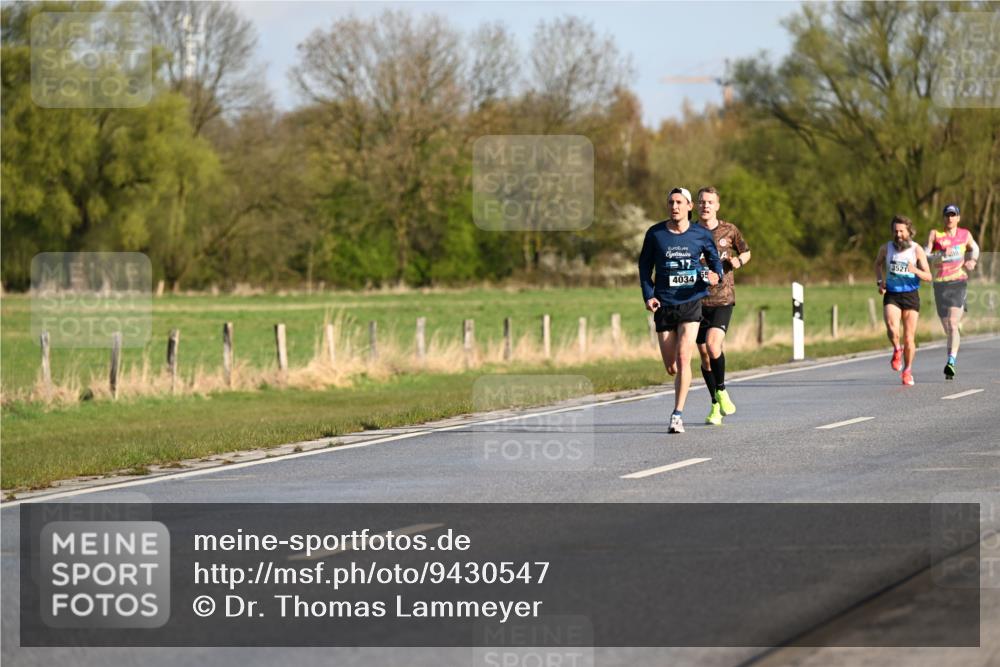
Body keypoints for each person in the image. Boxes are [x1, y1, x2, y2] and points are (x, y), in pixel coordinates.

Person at [639, 187, 723, 434]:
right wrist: (648, 295)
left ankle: (677, 415)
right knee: (671, 366)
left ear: (689, 207)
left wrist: (714, 275)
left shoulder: (700, 234)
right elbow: (644, 267)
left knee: (684, 357)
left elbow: (714, 260)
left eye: (679, 202)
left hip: (691, 300)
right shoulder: (655, 234)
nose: (674, 206)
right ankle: (679, 381)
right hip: (664, 303)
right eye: (671, 202)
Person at [694, 187, 751, 425]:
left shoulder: (730, 230)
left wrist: (738, 260)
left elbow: (747, 252)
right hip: (696, 300)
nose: (706, 205)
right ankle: (715, 404)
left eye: (710, 202)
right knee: (705, 356)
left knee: (713, 344)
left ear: (717, 205)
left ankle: (722, 389)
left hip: (723, 299)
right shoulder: (691, 233)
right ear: (696, 206)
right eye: (702, 202)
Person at [875, 215, 932, 385]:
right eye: (895, 231)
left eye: (901, 231)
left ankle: (907, 371)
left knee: (909, 338)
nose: (898, 234)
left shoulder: (916, 250)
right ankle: (896, 349)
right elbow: (877, 264)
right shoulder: (886, 248)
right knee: (893, 329)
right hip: (892, 294)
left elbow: (928, 276)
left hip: (910, 295)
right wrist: (880, 282)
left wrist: (915, 269)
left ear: (909, 231)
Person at [926, 204, 980, 379]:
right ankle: (951, 358)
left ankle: (951, 362)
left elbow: (975, 248)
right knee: (947, 328)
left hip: (958, 281)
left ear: (958, 217)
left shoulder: (965, 234)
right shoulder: (936, 235)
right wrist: (940, 254)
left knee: (952, 323)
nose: (950, 218)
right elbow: (925, 255)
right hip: (940, 283)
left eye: (953, 215)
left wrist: (972, 260)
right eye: (947, 215)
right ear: (944, 218)